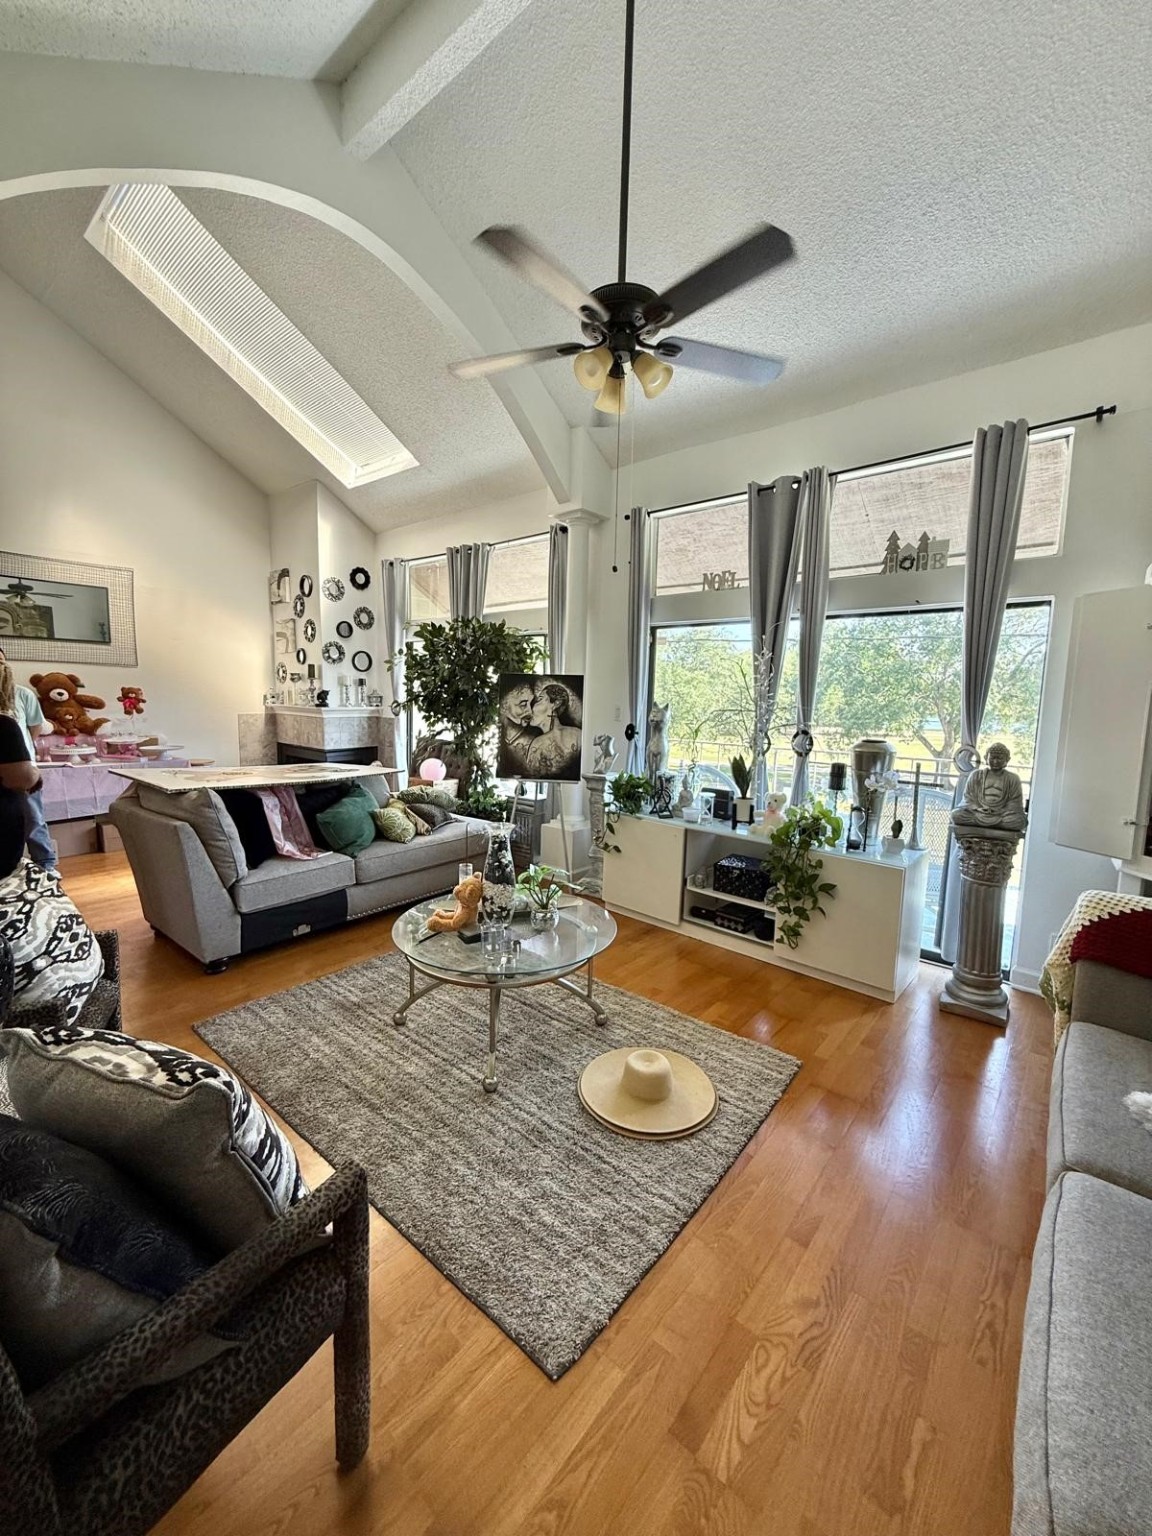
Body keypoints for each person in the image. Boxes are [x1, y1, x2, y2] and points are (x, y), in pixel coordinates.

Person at [0, 649, 55, 870]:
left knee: (33, 818)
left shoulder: (23, 694)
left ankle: (46, 864)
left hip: (22, 767)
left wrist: (21, 752)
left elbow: (35, 727)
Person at [951, 741, 1029, 832]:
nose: (995, 761)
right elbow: (968, 798)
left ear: (1007, 760)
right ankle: (995, 824)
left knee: (1019, 821)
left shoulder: (1013, 778)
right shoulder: (976, 775)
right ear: (986, 758)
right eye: (992, 758)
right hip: (979, 812)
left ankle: (995, 823)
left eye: (999, 758)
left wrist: (1001, 811)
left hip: (1001, 815)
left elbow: (1015, 803)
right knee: (956, 815)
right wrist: (978, 808)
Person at [523, 682, 581, 781]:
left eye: (539, 700)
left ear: (556, 703)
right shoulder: (578, 734)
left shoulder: (538, 744)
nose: (531, 709)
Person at [497, 679, 540, 777]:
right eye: (523, 705)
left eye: (531, 703)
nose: (530, 711)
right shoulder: (498, 736)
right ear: (504, 706)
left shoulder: (536, 738)